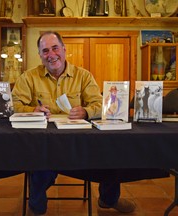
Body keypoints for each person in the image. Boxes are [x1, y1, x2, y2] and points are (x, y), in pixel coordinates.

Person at [12, 31, 136, 216]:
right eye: (45, 51)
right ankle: (36, 208)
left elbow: (100, 104)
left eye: (55, 48)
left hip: (80, 140)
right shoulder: (28, 77)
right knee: (37, 160)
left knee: (111, 151)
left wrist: (86, 111)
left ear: (64, 49)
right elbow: (14, 105)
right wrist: (33, 110)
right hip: (46, 142)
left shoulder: (83, 76)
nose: (51, 54)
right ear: (40, 55)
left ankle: (108, 200)